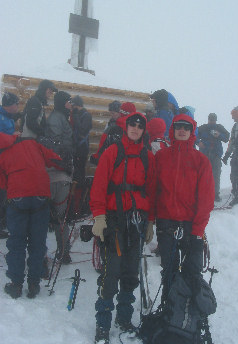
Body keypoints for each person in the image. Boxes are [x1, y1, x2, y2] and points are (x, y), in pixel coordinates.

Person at [89, 112, 156, 344]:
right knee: (111, 274)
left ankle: (124, 319)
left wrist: (151, 221)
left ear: (143, 130)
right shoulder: (112, 152)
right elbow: (98, 185)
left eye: (140, 125)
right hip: (115, 221)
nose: (135, 128)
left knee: (130, 272)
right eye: (132, 124)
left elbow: (152, 190)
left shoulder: (148, 157)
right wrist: (99, 216)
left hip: (137, 221)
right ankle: (103, 325)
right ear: (126, 127)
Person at [155, 114, 215, 302]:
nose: (182, 130)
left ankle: (188, 320)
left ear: (191, 132)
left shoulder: (200, 160)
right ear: (173, 130)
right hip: (166, 223)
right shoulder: (161, 156)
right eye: (178, 126)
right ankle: (168, 312)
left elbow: (206, 198)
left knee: (192, 272)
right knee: (169, 271)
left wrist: (198, 231)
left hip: (191, 226)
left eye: (186, 128)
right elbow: (153, 189)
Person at [0, 132, 64, 299]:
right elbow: (55, 159)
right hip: (40, 193)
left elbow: (2, 182)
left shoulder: (3, 150)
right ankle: (34, 283)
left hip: (17, 195)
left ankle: (16, 284)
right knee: (37, 241)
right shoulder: (31, 142)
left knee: (16, 242)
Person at [45, 91, 73, 264]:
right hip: (54, 174)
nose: (70, 103)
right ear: (63, 102)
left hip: (61, 173)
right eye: (68, 101)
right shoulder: (56, 118)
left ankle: (63, 252)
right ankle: (56, 253)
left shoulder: (62, 117)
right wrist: (66, 158)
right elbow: (53, 145)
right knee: (54, 216)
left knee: (59, 217)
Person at [0, 93, 21, 239]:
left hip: (7, 164)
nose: (18, 106)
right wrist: (15, 137)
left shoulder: (7, 117)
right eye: (16, 104)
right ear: (9, 105)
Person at [198, 113, 230, 202]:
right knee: (204, 175)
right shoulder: (203, 128)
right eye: (211, 120)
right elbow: (194, 135)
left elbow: (227, 138)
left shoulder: (219, 128)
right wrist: (198, 142)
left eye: (213, 120)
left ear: (215, 120)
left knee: (215, 175)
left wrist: (219, 135)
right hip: (204, 155)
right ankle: (204, 195)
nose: (212, 121)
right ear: (208, 119)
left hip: (216, 155)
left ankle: (215, 195)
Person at [70, 95, 92, 214]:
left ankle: (79, 206)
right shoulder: (78, 114)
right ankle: (74, 204)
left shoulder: (86, 115)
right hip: (75, 149)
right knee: (75, 176)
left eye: (74, 106)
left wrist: (76, 116)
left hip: (81, 150)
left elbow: (83, 130)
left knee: (80, 177)